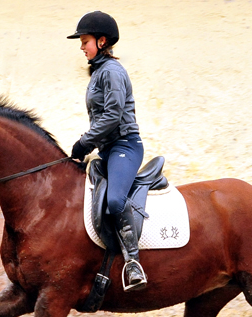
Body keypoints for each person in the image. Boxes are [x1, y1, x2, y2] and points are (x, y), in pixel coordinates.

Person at [67, 11, 147, 292]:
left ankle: (133, 262)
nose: (81, 46)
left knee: (114, 201)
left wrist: (85, 142)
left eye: (85, 41)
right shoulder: (99, 72)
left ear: (102, 41)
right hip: (109, 149)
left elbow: (113, 116)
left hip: (125, 146)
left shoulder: (112, 71)